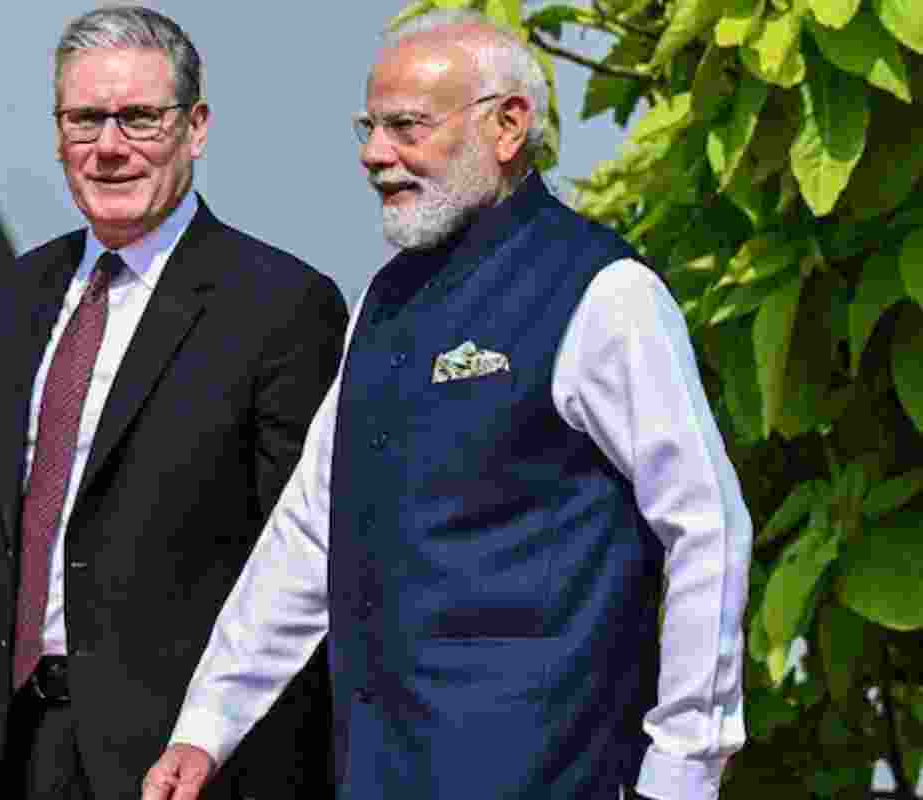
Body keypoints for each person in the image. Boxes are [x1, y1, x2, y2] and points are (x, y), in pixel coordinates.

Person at [143, 8, 751, 800]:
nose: (373, 153)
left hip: (553, 775)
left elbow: (707, 525)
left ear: (507, 126)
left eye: (406, 126)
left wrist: (684, 767)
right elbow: (311, 526)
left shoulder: (603, 292)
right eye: (368, 126)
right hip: (383, 774)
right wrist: (210, 723)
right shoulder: (384, 300)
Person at [0, 6, 345, 800]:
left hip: (187, 765)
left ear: (195, 128)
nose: (110, 147)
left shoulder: (281, 305)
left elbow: (301, 565)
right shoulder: (22, 295)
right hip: (20, 750)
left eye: (140, 119)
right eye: (86, 119)